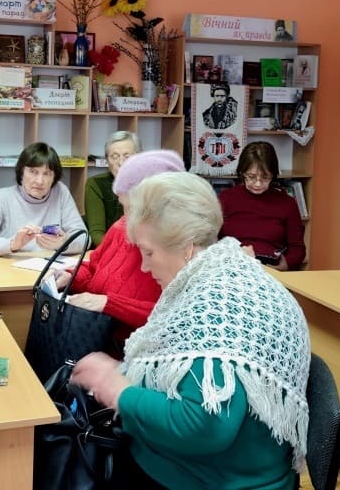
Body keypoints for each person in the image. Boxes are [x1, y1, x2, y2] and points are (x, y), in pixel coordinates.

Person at [71, 172, 310, 490]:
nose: (144, 266)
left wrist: (118, 390)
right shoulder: (224, 274)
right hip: (217, 468)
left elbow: (204, 426)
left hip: (215, 479)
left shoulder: (216, 310)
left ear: (186, 247)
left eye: (149, 253)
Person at [57, 150, 184, 348]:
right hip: (95, 338)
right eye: (122, 204)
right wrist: (70, 276)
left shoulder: (177, 248)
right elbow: (94, 268)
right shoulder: (120, 227)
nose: (125, 215)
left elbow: (175, 318)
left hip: (134, 352)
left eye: (131, 207)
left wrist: (108, 304)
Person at [0, 142, 87, 255]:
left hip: (52, 268)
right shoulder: (3, 197)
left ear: (54, 177)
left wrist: (64, 243)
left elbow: (84, 238)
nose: (39, 181)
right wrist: (12, 244)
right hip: (10, 269)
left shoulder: (60, 192)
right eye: (33, 172)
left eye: (47, 174)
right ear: (21, 172)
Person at [219, 142, 305, 270]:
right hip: (230, 267)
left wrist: (285, 265)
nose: (258, 184)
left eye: (265, 177)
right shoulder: (225, 198)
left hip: (270, 270)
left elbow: (297, 249)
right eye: (251, 177)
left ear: (273, 175)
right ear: (242, 173)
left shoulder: (287, 203)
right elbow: (211, 240)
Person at [83, 130, 140, 246]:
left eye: (127, 156)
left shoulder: (150, 185)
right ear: (107, 161)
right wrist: (120, 251)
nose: (121, 163)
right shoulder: (96, 184)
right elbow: (96, 234)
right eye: (114, 157)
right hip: (109, 249)